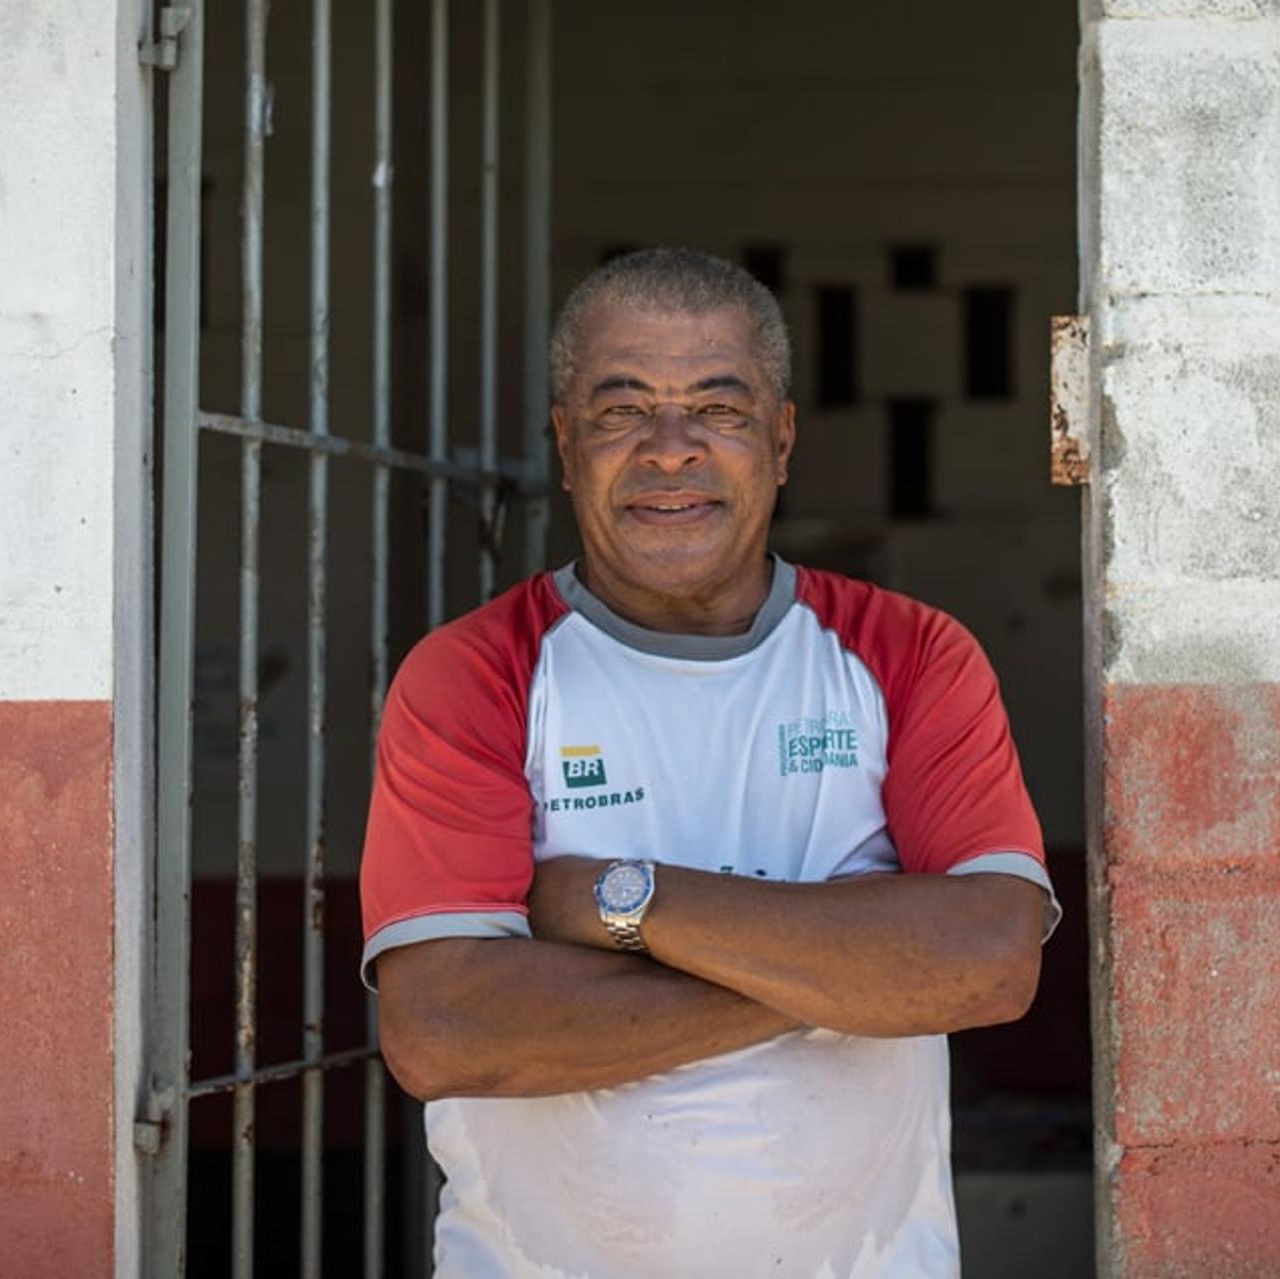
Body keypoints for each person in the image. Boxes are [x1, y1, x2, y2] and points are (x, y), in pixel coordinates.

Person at [359, 247, 1057, 1277]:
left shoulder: (911, 653)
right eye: (621, 410)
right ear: (565, 444)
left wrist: (615, 903)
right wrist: (868, 967)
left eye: (718, 410)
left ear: (780, 441)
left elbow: (993, 958)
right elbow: (445, 1028)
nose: (670, 449)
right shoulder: (475, 675)